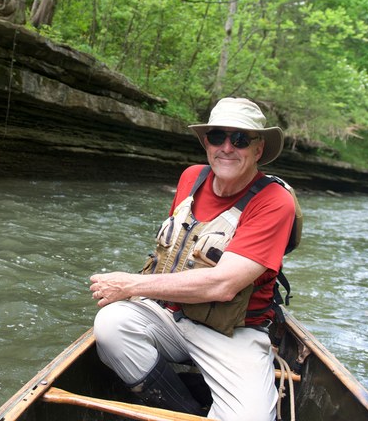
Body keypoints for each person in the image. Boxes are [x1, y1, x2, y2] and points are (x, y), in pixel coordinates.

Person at [89, 97, 296, 421]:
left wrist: (130, 284)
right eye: (217, 137)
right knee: (111, 325)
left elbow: (224, 285)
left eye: (240, 139)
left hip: (232, 332)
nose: (227, 147)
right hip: (170, 315)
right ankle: (185, 411)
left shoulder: (274, 201)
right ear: (206, 143)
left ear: (258, 149)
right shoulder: (191, 178)